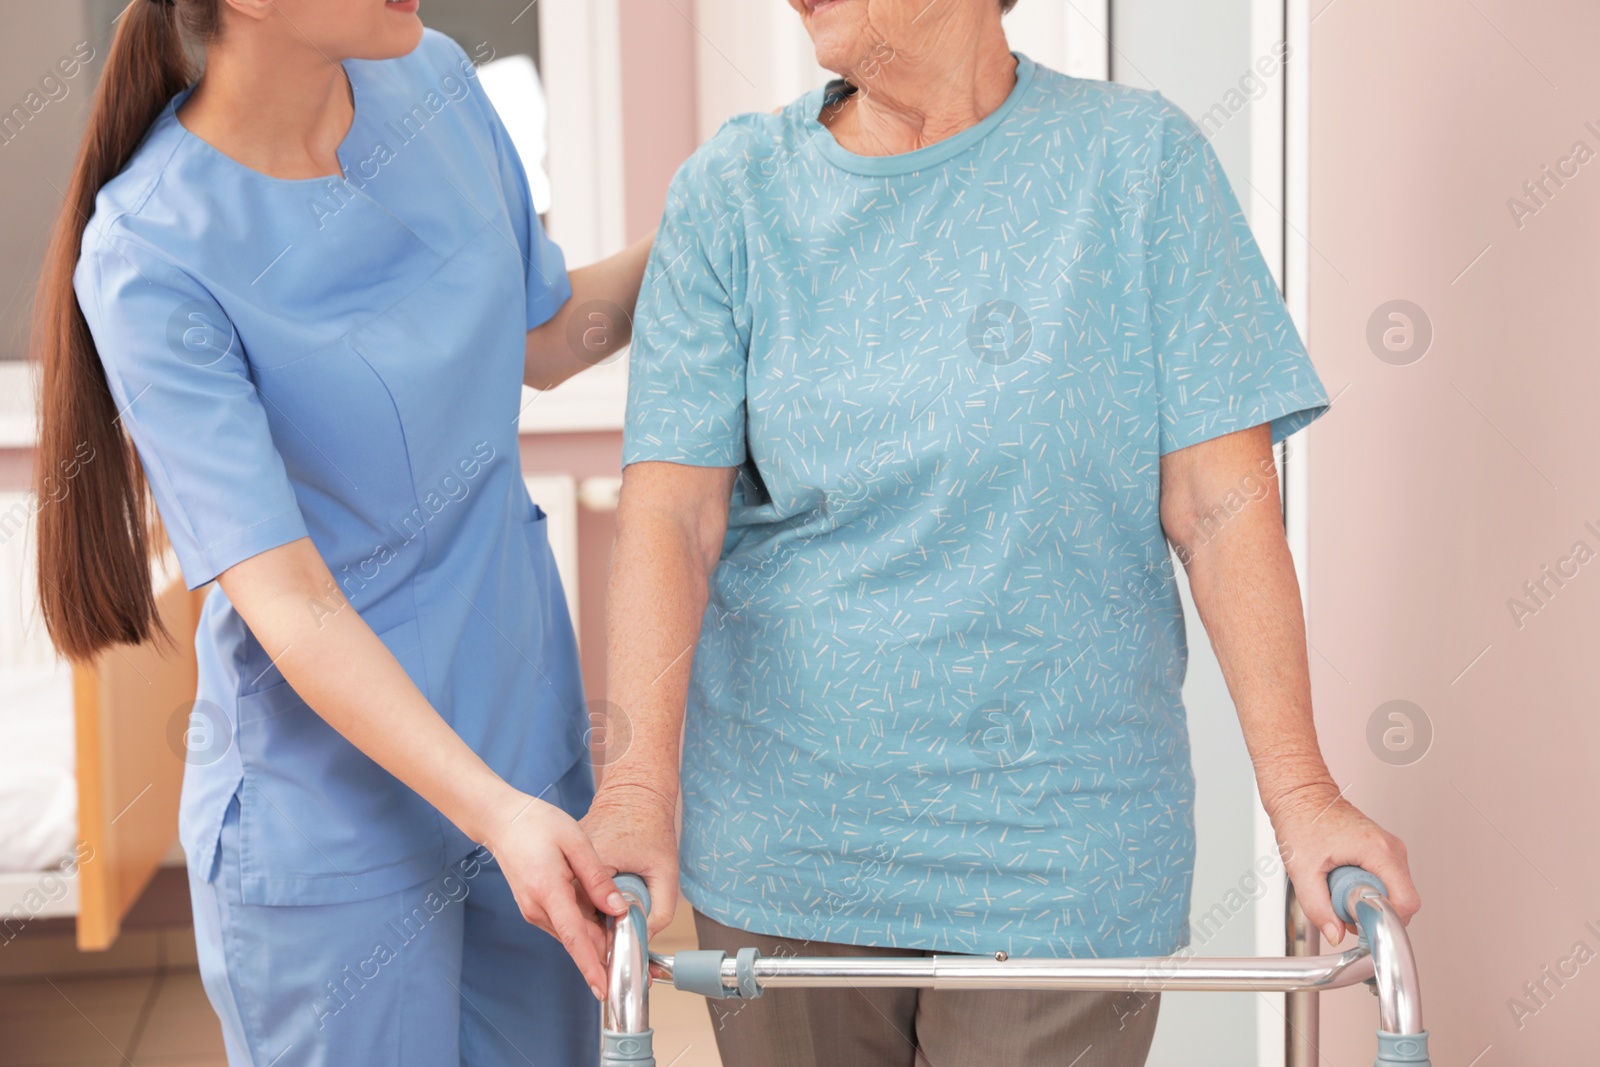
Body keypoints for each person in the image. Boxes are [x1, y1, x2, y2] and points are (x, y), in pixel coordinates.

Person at [586, 0, 1422, 1064]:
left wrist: (1305, 799)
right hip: (788, 839)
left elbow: (1220, 512)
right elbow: (671, 512)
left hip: (1058, 843)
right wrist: (635, 789)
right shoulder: (733, 194)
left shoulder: (1138, 164)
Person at [32, 1, 646, 1063]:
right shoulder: (150, 251)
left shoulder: (440, 87)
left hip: (523, 755)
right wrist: (493, 812)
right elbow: (291, 601)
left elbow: (543, 340)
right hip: (330, 824)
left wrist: (712, 214)